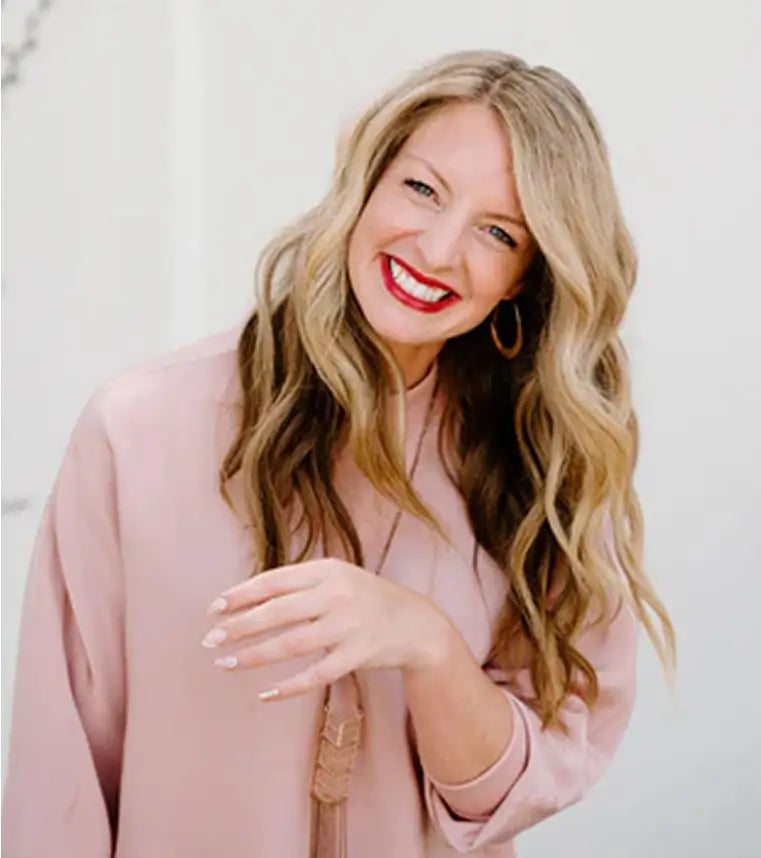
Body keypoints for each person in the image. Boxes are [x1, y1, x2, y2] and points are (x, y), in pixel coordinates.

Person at [1, 49, 676, 858]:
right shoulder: (141, 429)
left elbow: (516, 789)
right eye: (421, 189)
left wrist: (425, 643)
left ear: (524, 278)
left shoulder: (535, 464)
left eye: (496, 232)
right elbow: (60, 784)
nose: (434, 249)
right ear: (367, 180)